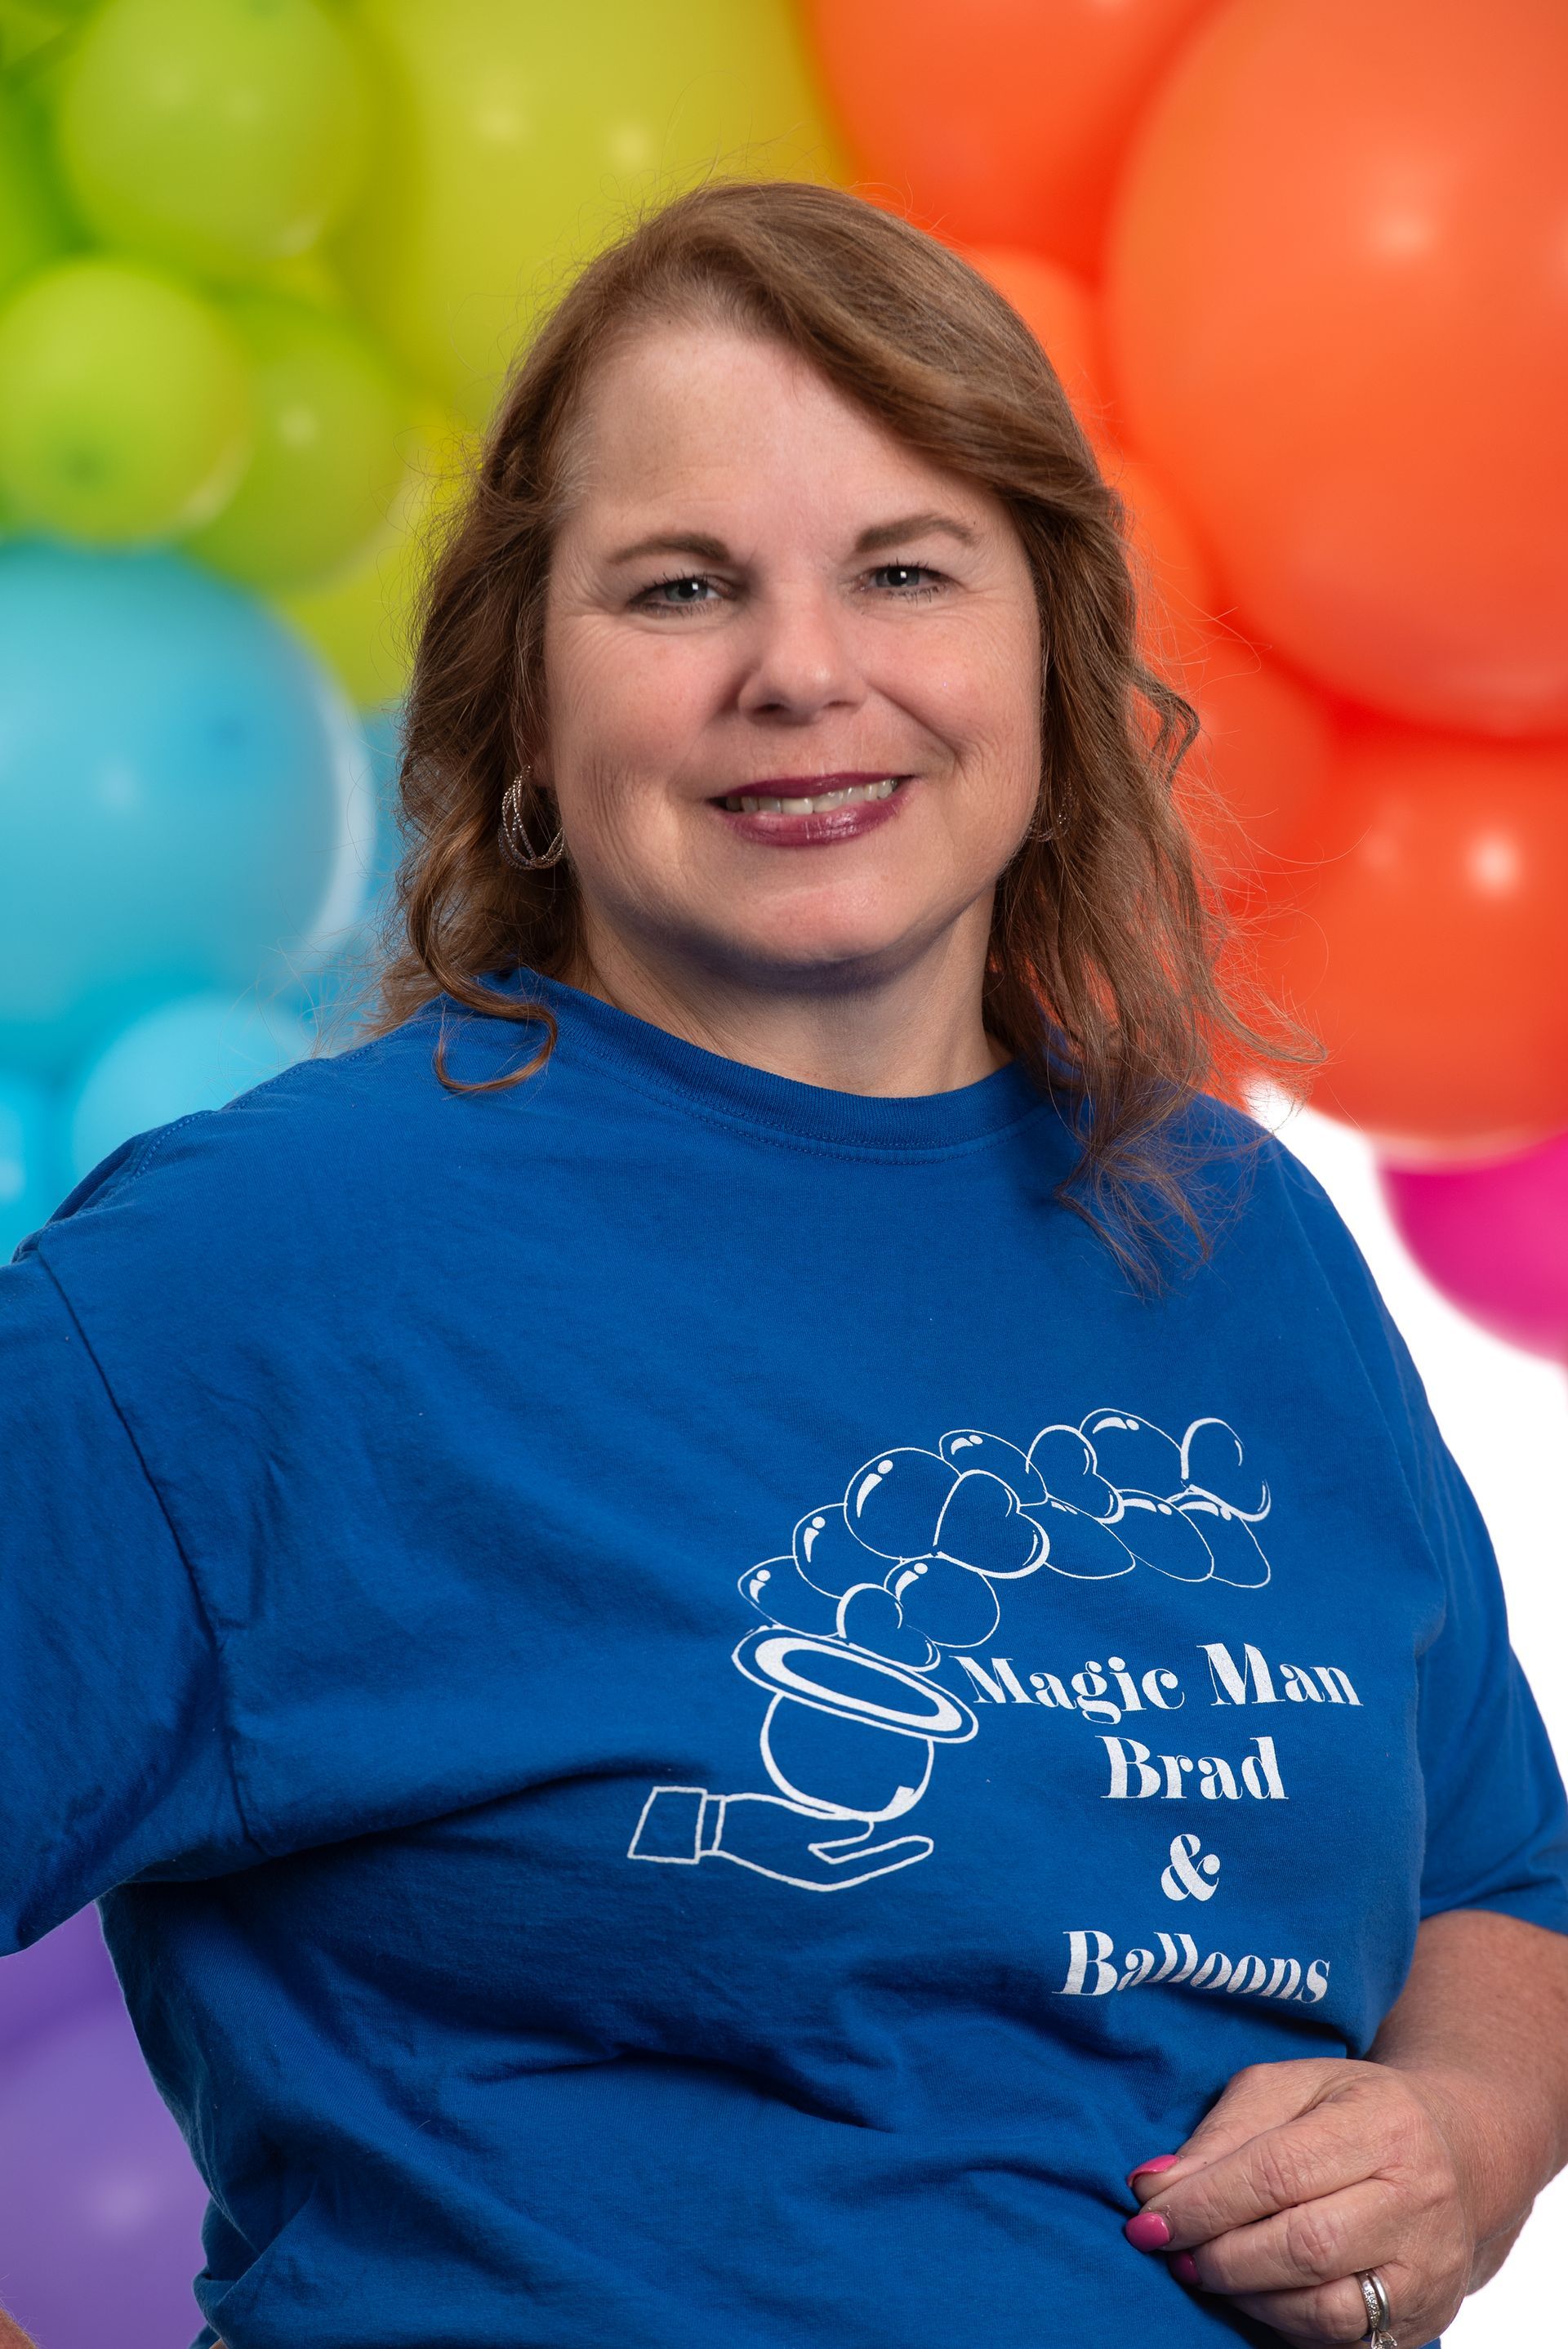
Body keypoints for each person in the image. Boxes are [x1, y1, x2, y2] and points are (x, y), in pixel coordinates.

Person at [3, 176, 1567, 2349]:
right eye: (680, 586)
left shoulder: (1231, 1233)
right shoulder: (254, 1276)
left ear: (1047, 647)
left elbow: (1499, 1877)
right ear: (529, 706)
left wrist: (1467, 2140)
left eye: (906, 570)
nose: (803, 670)